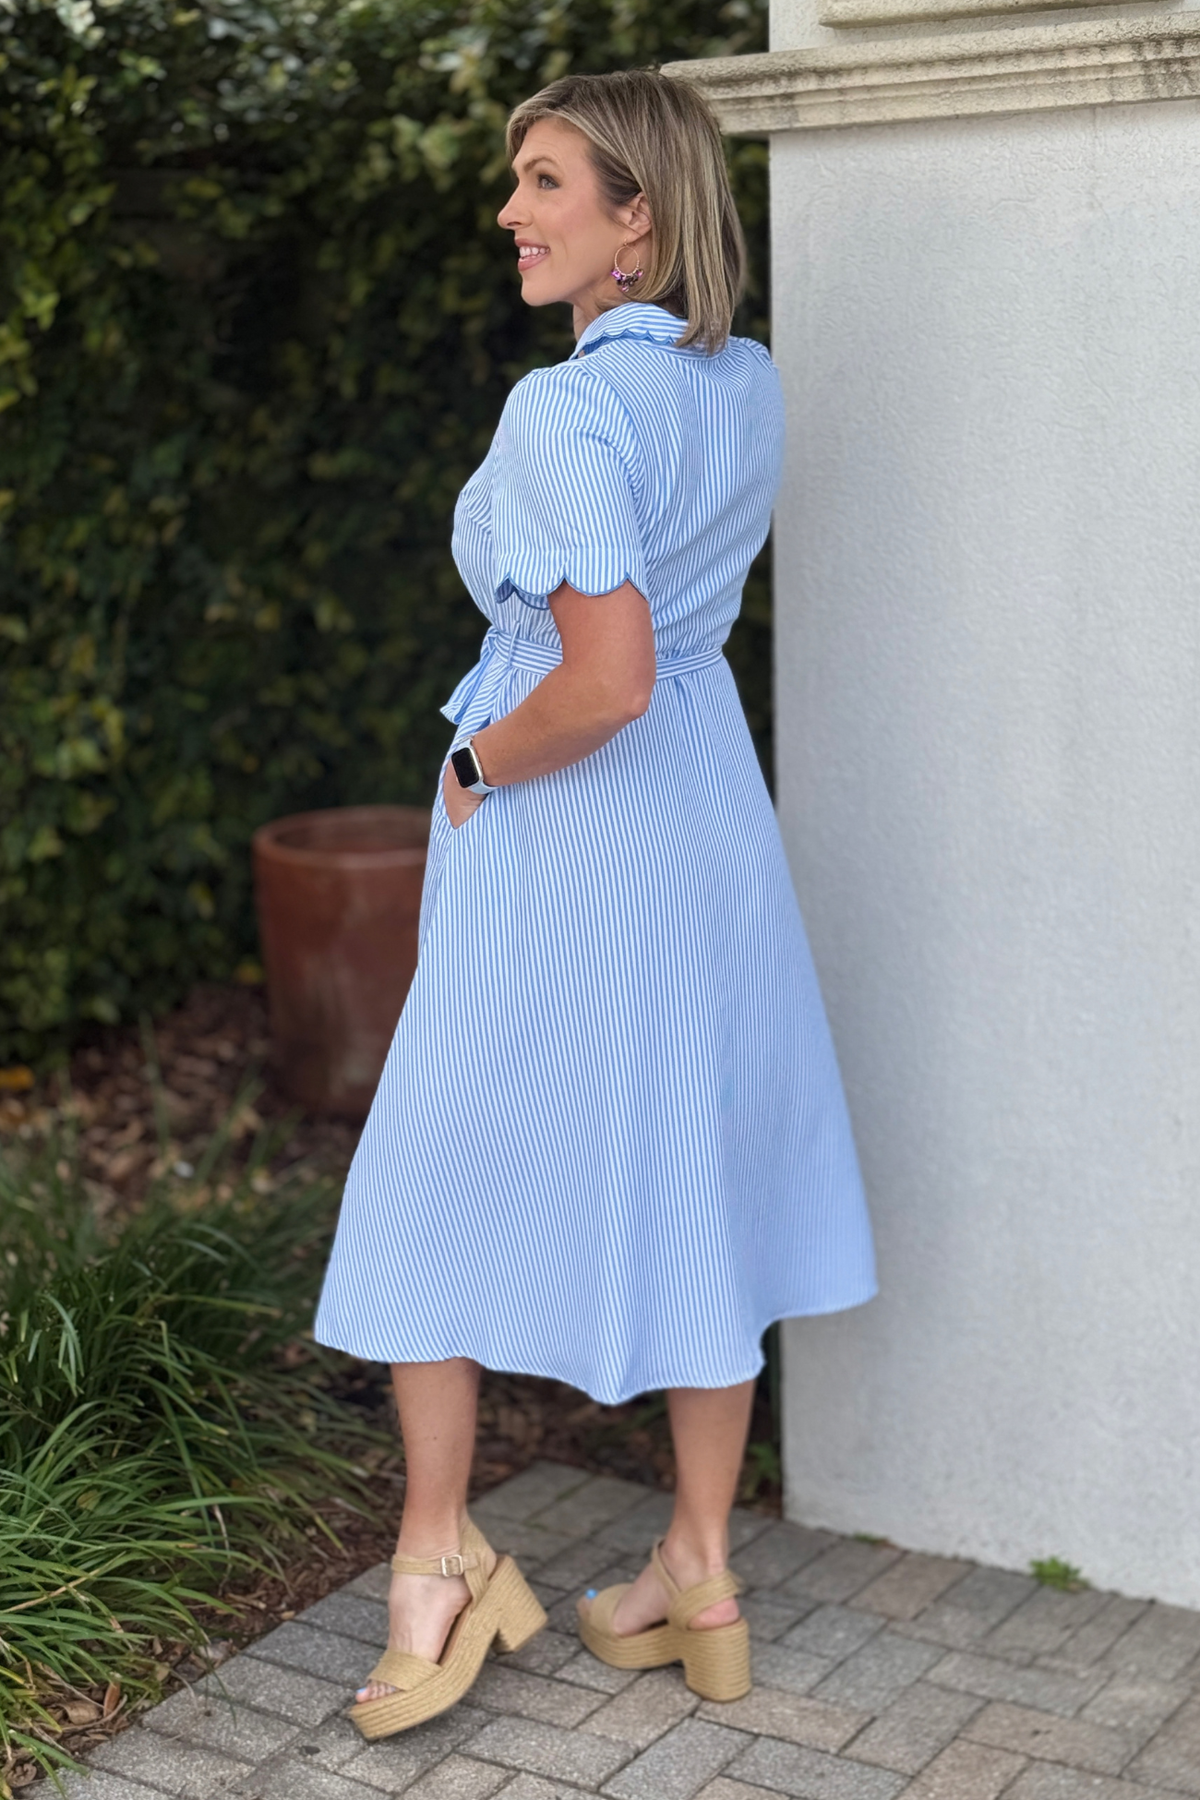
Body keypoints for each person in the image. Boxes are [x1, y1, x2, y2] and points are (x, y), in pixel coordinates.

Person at [314, 67, 877, 1742]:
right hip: (706, 813)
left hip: (570, 819)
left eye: (547, 181)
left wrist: (476, 763)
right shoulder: (747, 383)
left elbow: (606, 678)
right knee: (693, 1150)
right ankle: (696, 1569)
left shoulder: (562, 412)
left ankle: (438, 1561)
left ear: (640, 218)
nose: (512, 211)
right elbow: (661, 664)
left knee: (430, 1165)